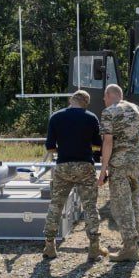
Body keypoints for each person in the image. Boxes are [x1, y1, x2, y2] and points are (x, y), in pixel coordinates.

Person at [97, 83, 139, 262]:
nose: (104, 100)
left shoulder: (109, 112)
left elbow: (108, 142)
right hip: (135, 162)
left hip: (119, 164)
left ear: (109, 95)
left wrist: (103, 170)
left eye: (104, 97)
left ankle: (129, 248)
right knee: (132, 201)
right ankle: (134, 240)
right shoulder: (135, 108)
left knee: (120, 204)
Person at [40, 90, 105, 261]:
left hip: (63, 166)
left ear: (71, 100)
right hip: (85, 166)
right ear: (86, 103)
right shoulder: (91, 118)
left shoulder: (56, 117)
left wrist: (64, 149)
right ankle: (94, 247)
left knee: (56, 205)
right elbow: (98, 144)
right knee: (90, 206)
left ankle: (49, 245)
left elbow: (50, 147)